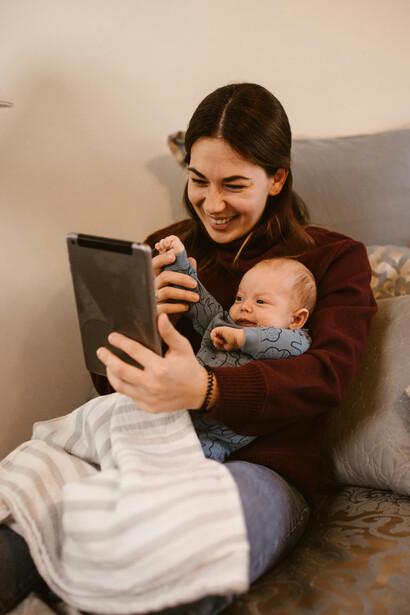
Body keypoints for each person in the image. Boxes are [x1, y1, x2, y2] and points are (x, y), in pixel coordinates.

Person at [0, 82, 377, 615]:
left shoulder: (335, 259)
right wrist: (142, 319)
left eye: (234, 184)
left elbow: (328, 375)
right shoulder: (168, 247)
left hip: (263, 467)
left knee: (178, 547)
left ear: (277, 179)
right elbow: (113, 385)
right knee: (26, 508)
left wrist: (208, 388)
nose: (213, 204)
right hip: (146, 441)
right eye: (199, 181)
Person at [155, 234, 316, 462]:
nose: (245, 307)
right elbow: (197, 298)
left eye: (260, 302)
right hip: (175, 414)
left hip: (217, 436)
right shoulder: (223, 324)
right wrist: (178, 260)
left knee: (186, 461)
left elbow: (282, 344)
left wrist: (242, 338)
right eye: (240, 298)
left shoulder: (296, 339)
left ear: (296, 319)